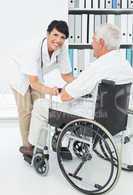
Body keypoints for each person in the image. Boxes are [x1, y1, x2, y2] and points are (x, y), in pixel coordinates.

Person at [20, 23, 133, 156]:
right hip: (113, 121)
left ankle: (33, 148)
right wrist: (78, 85)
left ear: (101, 42)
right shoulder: (125, 64)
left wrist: (68, 89)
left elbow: (65, 96)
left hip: (89, 120)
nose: (92, 44)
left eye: (93, 39)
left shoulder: (98, 66)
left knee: (40, 105)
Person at [11, 20, 74, 152]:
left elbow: (66, 75)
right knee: (26, 110)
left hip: (36, 73)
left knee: (39, 107)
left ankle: (38, 143)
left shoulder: (62, 47)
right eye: (55, 35)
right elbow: (33, 83)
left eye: (62, 37)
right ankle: (27, 147)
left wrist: (80, 85)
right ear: (47, 34)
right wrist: (51, 90)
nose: (58, 40)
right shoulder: (33, 48)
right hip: (18, 74)